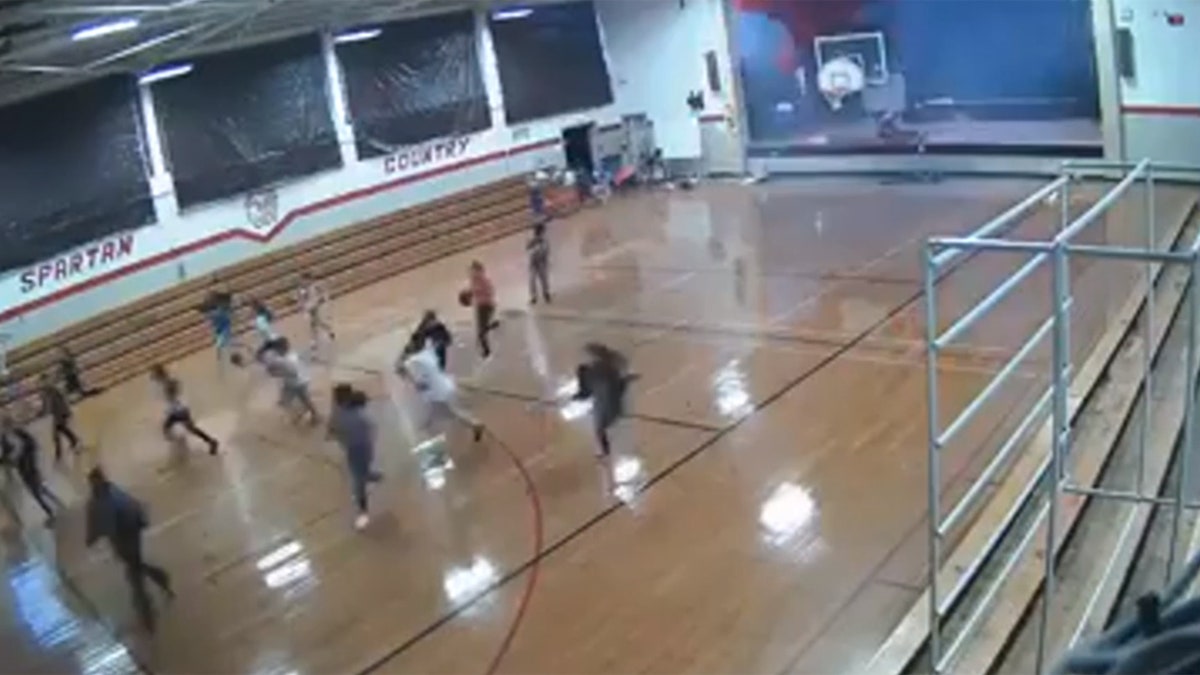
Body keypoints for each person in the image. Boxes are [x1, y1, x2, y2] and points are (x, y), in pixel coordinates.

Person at [85, 468, 174, 632]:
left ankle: (145, 607)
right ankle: (159, 581)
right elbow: (132, 506)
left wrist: (92, 538)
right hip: (128, 534)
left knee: (134, 570)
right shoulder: (110, 493)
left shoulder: (103, 499)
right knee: (135, 566)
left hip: (125, 535)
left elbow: (99, 521)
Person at [398, 335, 484, 444]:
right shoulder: (428, 351)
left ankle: (475, 424)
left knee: (454, 412)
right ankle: (428, 422)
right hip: (447, 384)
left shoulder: (413, 361)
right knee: (444, 409)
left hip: (440, 393)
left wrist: (413, 381)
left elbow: (413, 377)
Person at [327, 384, 381, 531]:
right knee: (363, 468)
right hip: (361, 447)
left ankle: (363, 512)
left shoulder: (345, 414)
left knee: (358, 482)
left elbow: (332, 431)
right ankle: (371, 475)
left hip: (357, 449)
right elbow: (371, 427)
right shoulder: (354, 412)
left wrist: (336, 435)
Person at [574, 343, 636, 458]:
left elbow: (617, 387)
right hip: (608, 401)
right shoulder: (600, 369)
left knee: (600, 427)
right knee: (600, 427)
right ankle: (605, 450)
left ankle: (605, 451)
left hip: (608, 403)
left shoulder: (599, 370)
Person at [1, 411, 60, 525]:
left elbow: (21, 450)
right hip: (26, 468)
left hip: (27, 468)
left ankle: (51, 513)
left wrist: (14, 458)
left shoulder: (14, 434)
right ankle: (55, 502)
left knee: (36, 491)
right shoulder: (12, 434)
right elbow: (28, 447)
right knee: (38, 488)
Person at [150, 365, 219, 455]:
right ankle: (181, 444)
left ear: (159, 374)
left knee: (189, 428)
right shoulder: (166, 380)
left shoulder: (169, 381)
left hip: (180, 409)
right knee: (168, 428)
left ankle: (211, 442)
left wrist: (168, 392)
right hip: (175, 410)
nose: (154, 377)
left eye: (155, 374)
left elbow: (172, 392)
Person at [262, 338, 319, 425]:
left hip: (296, 383)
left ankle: (303, 414)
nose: (276, 352)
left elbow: (292, 372)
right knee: (304, 398)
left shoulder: (286, 361)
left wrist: (274, 373)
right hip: (301, 380)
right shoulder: (291, 354)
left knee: (297, 399)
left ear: (281, 349)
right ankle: (311, 414)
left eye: (277, 350)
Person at [39, 373, 80, 460]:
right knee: (62, 431)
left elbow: (60, 403)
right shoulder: (45, 392)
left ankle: (59, 454)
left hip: (58, 415)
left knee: (57, 434)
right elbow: (45, 406)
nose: (44, 383)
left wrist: (66, 413)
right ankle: (74, 442)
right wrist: (43, 413)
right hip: (53, 417)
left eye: (46, 381)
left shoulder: (53, 391)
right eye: (43, 381)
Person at [199, 284, 239, 367]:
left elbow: (226, 313)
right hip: (221, 327)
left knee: (223, 343)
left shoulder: (218, 308)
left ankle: (225, 357)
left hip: (223, 326)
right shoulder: (215, 309)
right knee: (222, 343)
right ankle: (222, 357)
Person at [466, 261, 499, 359]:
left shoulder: (483, 280)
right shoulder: (474, 280)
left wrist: (476, 292)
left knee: (481, 331)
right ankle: (490, 325)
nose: (471, 273)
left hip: (485, 305)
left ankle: (486, 350)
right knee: (481, 328)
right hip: (482, 305)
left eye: (472, 270)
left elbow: (489, 292)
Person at [298, 273, 336, 355]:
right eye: (302, 281)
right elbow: (301, 300)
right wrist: (302, 308)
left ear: (309, 279)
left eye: (304, 280)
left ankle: (325, 333)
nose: (303, 282)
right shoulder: (302, 289)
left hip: (317, 306)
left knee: (318, 322)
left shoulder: (315, 286)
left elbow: (324, 293)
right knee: (314, 325)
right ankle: (315, 344)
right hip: (310, 308)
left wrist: (323, 299)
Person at [527, 223, 552, 305]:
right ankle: (534, 296)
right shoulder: (532, 240)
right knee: (533, 280)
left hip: (541, 262)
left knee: (543, 279)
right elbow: (528, 249)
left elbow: (546, 251)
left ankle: (546, 293)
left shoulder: (544, 240)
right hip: (534, 262)